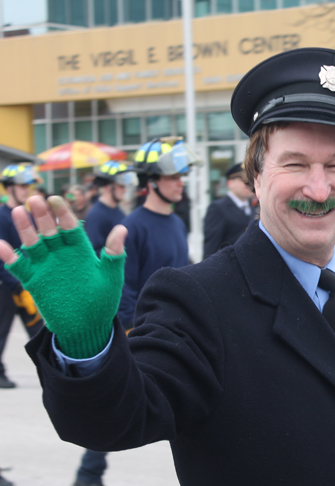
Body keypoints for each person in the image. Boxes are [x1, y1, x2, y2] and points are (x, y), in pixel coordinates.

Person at [0, 48, 335, 485]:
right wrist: (87, 344)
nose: (319, 189)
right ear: (256, 178)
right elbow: (118, 420)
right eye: (295, 164)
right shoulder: (198, 299)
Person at [72, 161, 136, 486]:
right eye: (120, 183)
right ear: (107, 185)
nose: (125, 187)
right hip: (113, 314)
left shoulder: (119, 214)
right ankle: (88, 474)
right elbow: (96, 267)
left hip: (127, 311)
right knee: (109, 397)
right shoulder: (98, 217)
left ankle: (89, 473)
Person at [117, 137, 198, 331]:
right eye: (173, 177)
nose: (181, 183)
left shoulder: (177, 222)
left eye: (181, 176)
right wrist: (130, 331)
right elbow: (123, 287)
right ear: (151, 182)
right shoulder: (132, 226)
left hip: (176, 326)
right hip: (146, 329)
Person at [0, 163, 44, 389]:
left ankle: (52, 371)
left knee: (40, 331)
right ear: (9, 188)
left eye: (28, 185)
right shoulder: (1, 215)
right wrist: (16, 287)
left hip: (27, 284)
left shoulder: (26, 215)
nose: (26, 190)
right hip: (6, 287)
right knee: (1, 331)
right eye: (21, 186)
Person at [203, 163, 256, 259]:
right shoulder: (218, 208)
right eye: (242, 180)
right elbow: (212, 245)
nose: (248, 184)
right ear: (230, 183)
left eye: (250, 179)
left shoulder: (253, 207)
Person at [84, 161, 136, 255]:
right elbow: (93, 253)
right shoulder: (96, 215)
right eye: (121, 186)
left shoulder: (117, 210)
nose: (125, 190)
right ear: (108, 187)